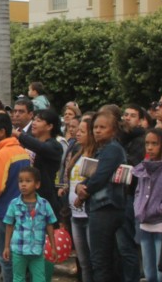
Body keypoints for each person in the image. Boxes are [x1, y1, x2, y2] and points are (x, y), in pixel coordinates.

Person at [75, 109, 127, 281]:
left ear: (113, 130)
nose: (97, 130)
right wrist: (81, 186)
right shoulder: (102, 149)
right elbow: (91, 177)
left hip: (106, 209)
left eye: (102, 127)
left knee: (101, 261)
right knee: (101, 259)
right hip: (99, 208)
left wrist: (83, 192)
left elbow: (100, 177)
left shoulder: (112, 149)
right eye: (95, 127)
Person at [0, 111, 31, 282]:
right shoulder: (22, 151)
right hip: (21, 212)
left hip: (3, 213)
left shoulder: (1, 155)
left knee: (6, 260)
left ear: (2, 131)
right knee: (21, 259)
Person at [133, 127, 162, 282]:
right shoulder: (143, 166)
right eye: (147, 143)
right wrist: (138, 207)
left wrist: (159, 209)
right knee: (149, 273)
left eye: (154, 144)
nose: (150, 148)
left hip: (161, 226)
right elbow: (138, 191)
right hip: (144, 224)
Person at [2, 166, 57, 282]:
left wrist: (53, 246)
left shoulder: (44, 204)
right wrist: (6, 247)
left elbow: (49, 225)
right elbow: (9, 225)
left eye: (28, 181)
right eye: (21, 181)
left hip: (37, 251)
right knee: (18, 278)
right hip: (18, 250)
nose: (23, 184)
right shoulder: (14, 204)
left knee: (39, 278)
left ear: (37, 184)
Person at [63, 113, 95, 282]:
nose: (78, 133)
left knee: (93, 260)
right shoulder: (77, 152)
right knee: (83, 261)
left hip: (88, 214)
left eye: (83, 131)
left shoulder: (96, 155)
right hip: (75, 214)